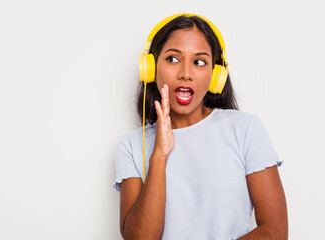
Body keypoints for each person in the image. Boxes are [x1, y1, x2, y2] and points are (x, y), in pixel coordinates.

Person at [113, 13, 288, 240]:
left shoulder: (245, 129)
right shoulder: (131, 146)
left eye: (199, 62)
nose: (186, 73)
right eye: (173, 59)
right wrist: (159, 155)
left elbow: (275, 231)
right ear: (151, 67)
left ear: (216, 76)